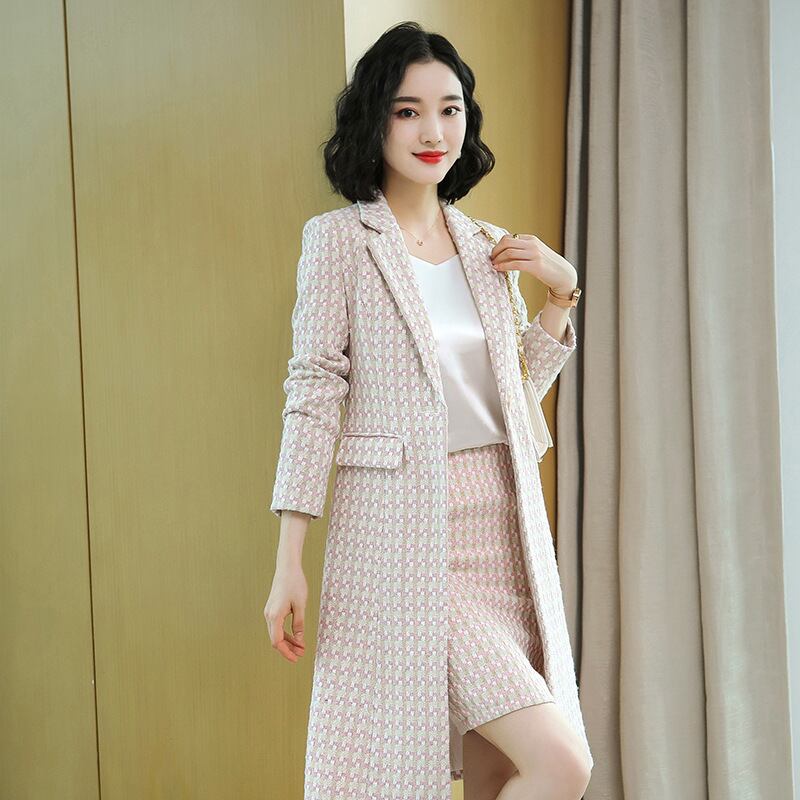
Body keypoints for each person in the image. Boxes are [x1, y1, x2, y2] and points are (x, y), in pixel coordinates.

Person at [264, 20, 592, 800]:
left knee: (499, 772)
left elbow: (510, 394)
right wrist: (289, 561)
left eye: (449, 109)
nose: (433, 131)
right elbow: (314, 393)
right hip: (408, 540)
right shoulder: (341, 241)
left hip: (505, 531)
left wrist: (561, 294)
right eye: (408, 111)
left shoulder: (487, 246)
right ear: (375, 120)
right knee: (561, 764)